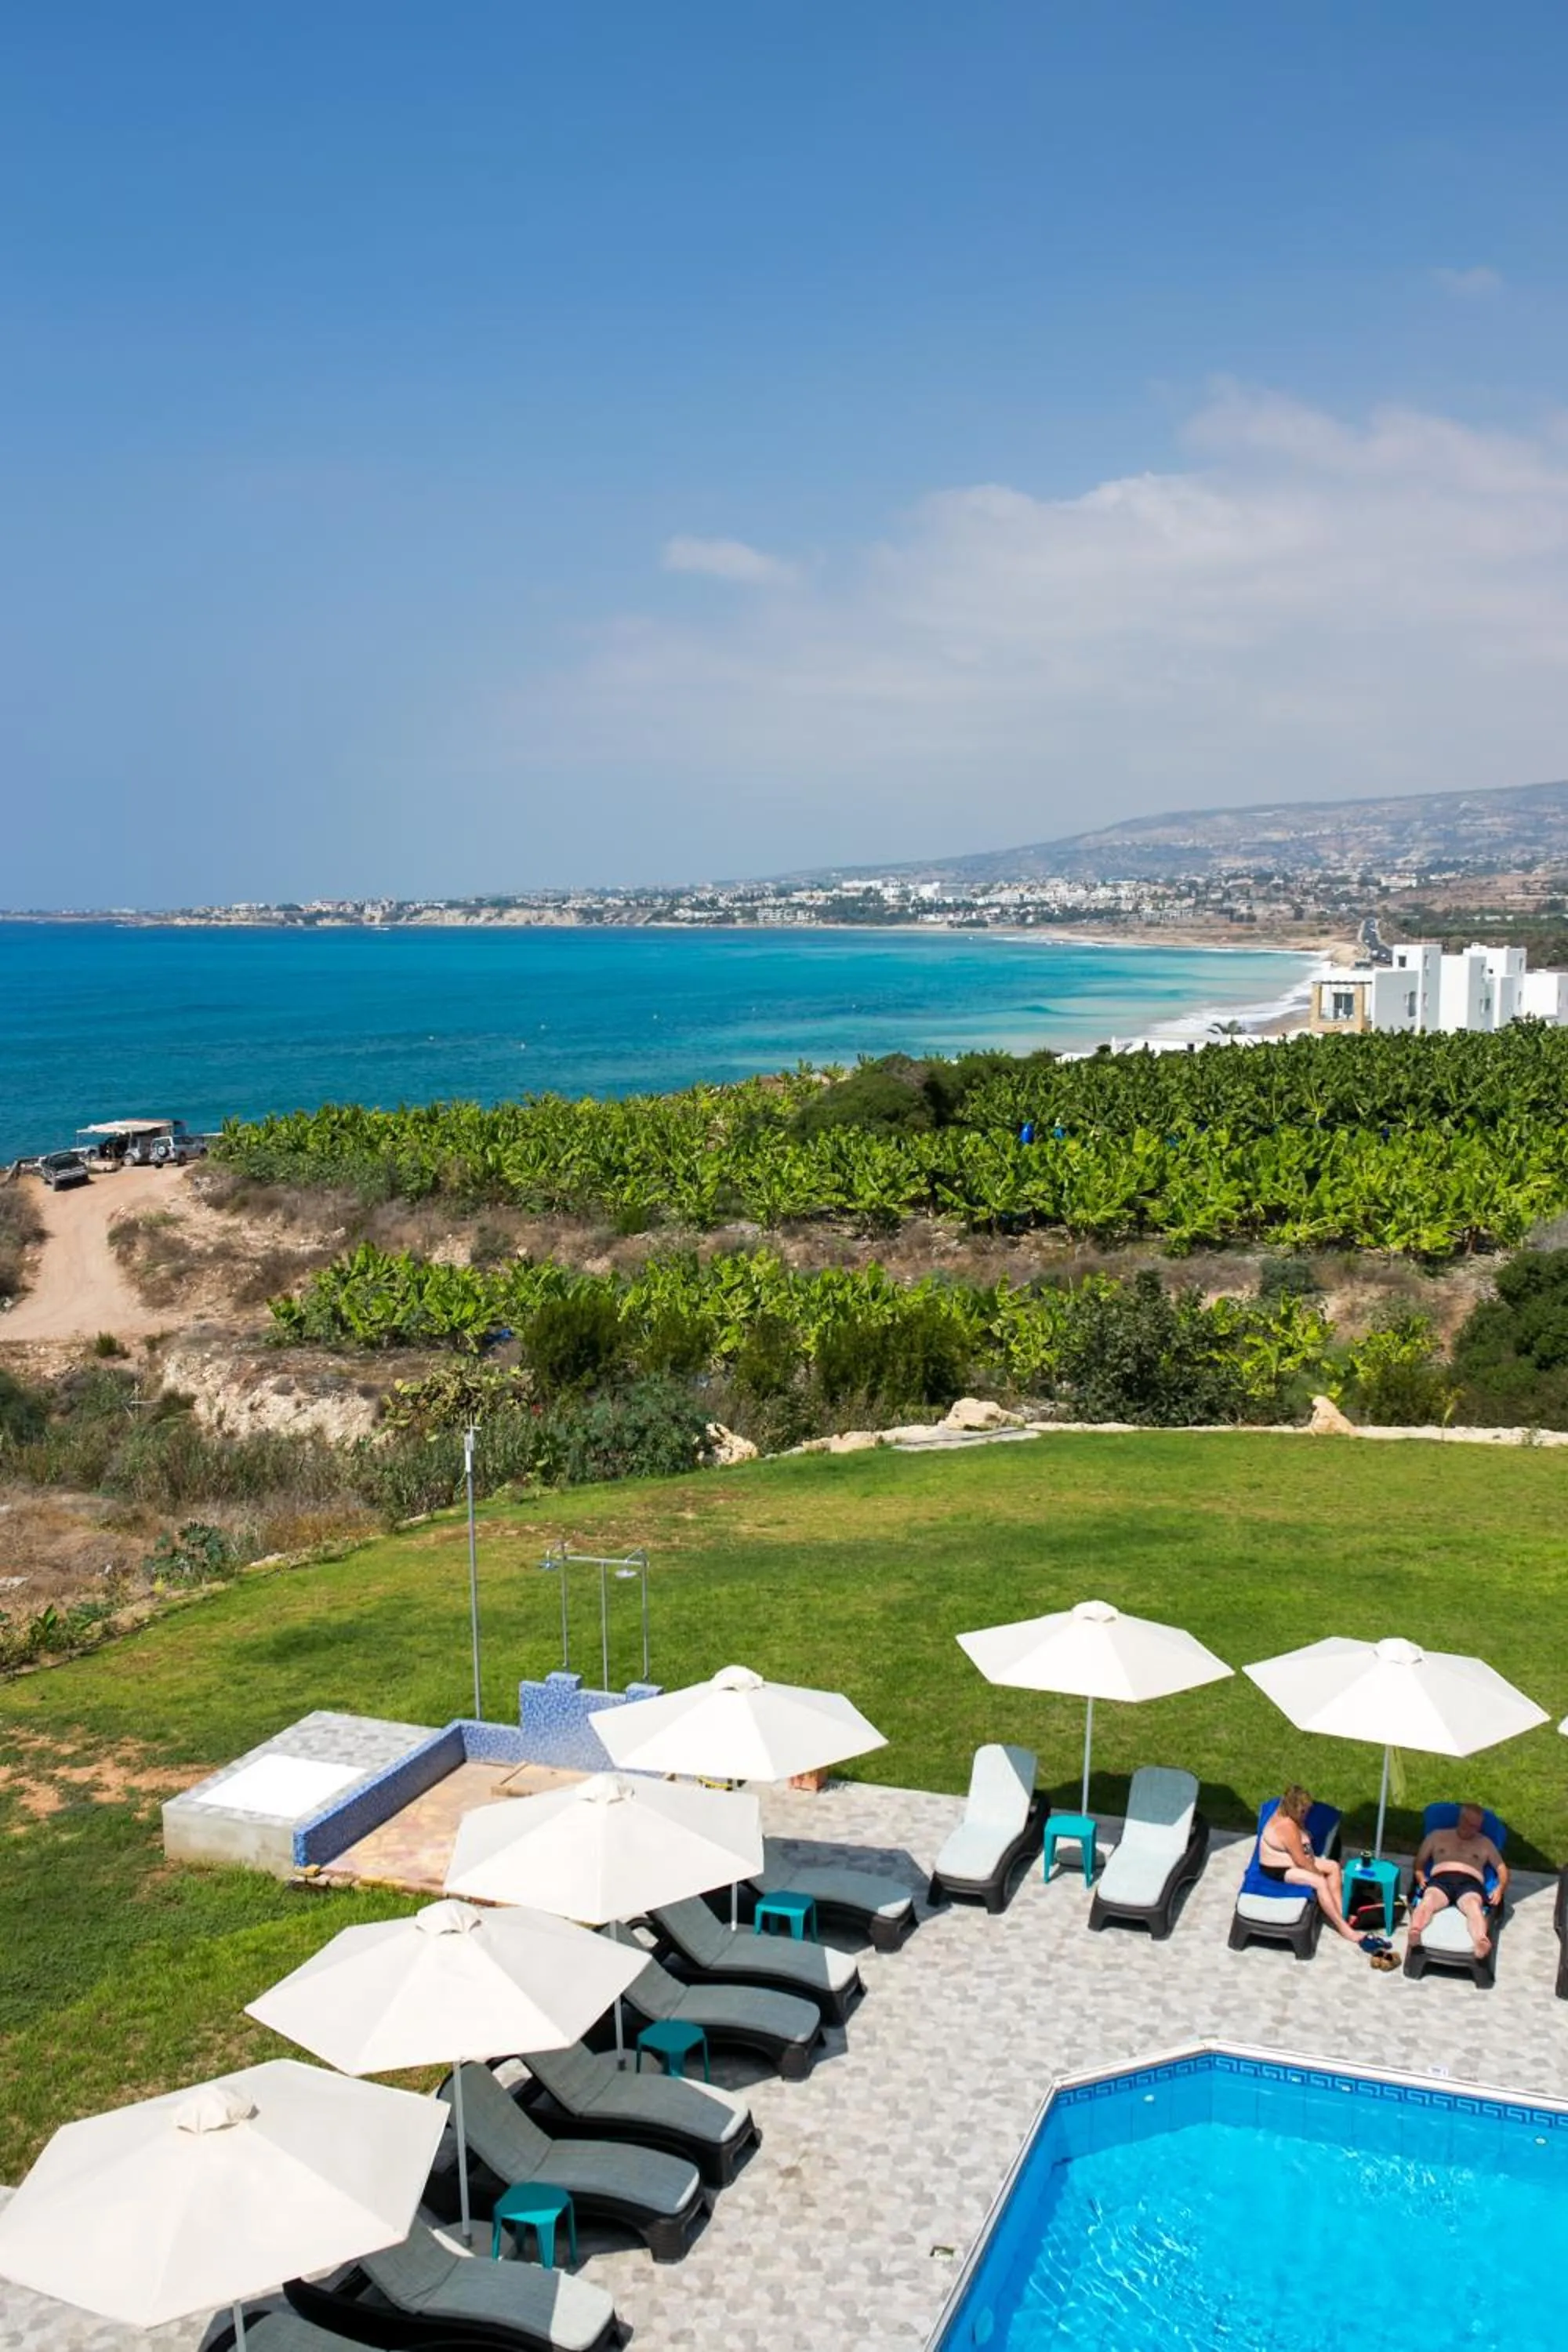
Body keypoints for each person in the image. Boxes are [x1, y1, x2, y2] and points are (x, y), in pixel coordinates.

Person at [1258, 1784, 1363, 1945]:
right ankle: (1343, 1927)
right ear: (1292, 1809)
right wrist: (1319, 1875)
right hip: (1277, 1868)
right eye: (1303, 1811)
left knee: (1334, 1867)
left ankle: (1342, 1912)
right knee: (1320, 1883)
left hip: (1289, 1859)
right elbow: (1302, 1862)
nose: (1306, 1814)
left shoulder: (1287, 1813)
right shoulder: (1287, 1827)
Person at [1407, 1804, 1506, 1961]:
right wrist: (1420, 1876)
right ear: (1461, 1820)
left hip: (1470, 1884)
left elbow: (1502, 1869)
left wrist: (1500, 1888)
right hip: (1441, 1880)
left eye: (1477, 1826)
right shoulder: (1437, 1836)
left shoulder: (1485, 1843)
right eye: (1471, 1825)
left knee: (1473, 1906)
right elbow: (1420, 1861)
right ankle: (1415, 1931)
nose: (1475, 1830)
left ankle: (1481, 1941)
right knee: (1428, 1901)